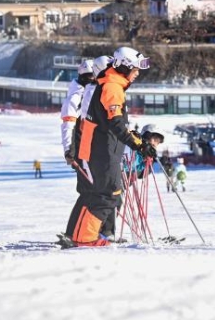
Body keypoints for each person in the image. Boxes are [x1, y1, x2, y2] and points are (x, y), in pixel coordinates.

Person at [64, 46, 154, 247]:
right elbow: (116, 124)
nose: (138, 74)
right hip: (101, 150)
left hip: (98, 147)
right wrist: (138, 145)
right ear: (124, 67)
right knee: (108, 193)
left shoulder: (110, 83)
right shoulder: (112, 87)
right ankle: (85, 239)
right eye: (135, 70)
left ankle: (76, 236)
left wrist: (135, 138)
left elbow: (113, 122)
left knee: (95, 193)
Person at [60, 58, 95, 165]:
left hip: (95, 148)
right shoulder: (76, 98)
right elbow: (68, 125)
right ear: (83, 77)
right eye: (91, 76)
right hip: (83, 151)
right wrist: (69, 151)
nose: (94, 79)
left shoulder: (90, 93)